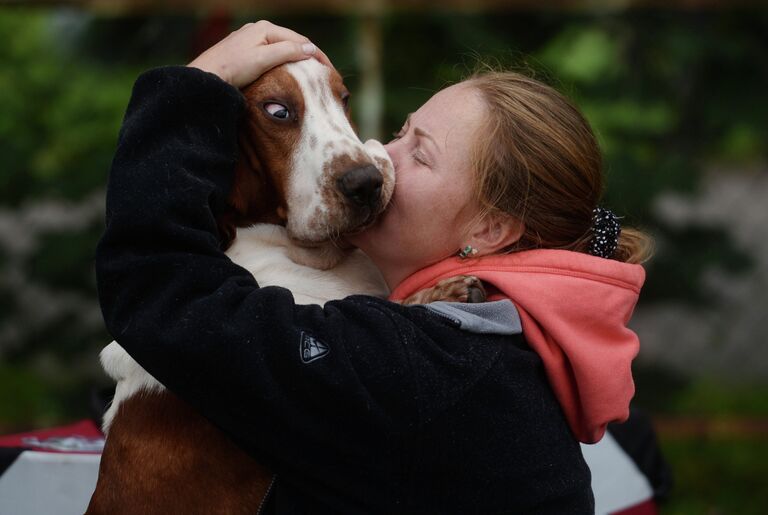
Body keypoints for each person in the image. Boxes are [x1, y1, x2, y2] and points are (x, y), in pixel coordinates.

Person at [95, 20, 651, 514]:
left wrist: (199, 81)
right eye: (401, 132)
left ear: (490, 231)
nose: (371, 155)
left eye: (421, 153)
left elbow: (166, 300)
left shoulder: (428, 370)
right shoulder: (498, 337)